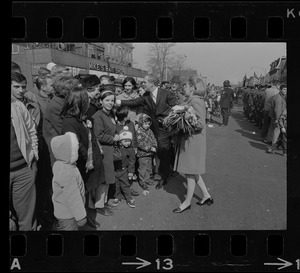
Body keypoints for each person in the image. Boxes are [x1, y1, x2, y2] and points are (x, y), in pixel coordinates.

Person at [116, 74, 178, 189]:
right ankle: (156, 172)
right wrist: (118, 102)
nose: (143, 84)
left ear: (152, 83)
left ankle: (163, 177)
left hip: (164, 129)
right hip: (152, 127)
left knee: (163, 151)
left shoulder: (166, 93)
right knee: (157, 151)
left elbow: (176, 108)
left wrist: (168, 119)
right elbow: (134, 102)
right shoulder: (145, 95)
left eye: (145, 82)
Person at [172, 76, 213, 213]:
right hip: (192, 139)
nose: (183, 88)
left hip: (193, 140)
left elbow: (200, 124)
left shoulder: (196, 101)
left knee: (189, 172)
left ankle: (187, 202)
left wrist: (183, 122)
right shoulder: (192, 100)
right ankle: (206, 196)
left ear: (193, 88)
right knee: (194, 171)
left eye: (186, 86)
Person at [10, 95, 39, 230]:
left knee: (27, 218)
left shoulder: (17, 104)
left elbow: (31, 130)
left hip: (23, 167)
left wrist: (33, 153)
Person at [51, 132, 87, 230]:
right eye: (75, 150)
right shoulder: (68, 172)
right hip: (70, 215)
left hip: (63, 212)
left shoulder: (59, 164)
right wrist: (80, 216)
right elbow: (73, 196)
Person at [92, 86, 118, 216]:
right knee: (103, 179)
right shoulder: (98, 116)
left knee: (107, 178)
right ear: (101, 101)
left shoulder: (108, 114)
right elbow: (98, 136)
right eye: (107, 100)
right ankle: (99, 205)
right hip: (103, 150)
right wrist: (114, 138)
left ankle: (105, 201)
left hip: (109, 150)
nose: (110, 103)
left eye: (112, 100)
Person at [43, 76, 79, 166]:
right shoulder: (55, 106)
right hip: (60, 150)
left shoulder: (63, 102)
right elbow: (64, 129)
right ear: (67, 92)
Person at [115, 106, 139, 196]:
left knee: (131, 167)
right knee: (122, 168)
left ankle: (130, 187)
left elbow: (134, 136)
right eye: (128, 114)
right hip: (121, 151)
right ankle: (122, 188)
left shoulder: (131, 123)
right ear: (125, 117)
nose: (130, 115)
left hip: (131, 149)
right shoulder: (116, 126)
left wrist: (135, 147)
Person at [111, 129, 136, 208]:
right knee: (116, 185)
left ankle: (129, 198)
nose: (127, 143)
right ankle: (117, 197)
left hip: (123, 170)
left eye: (129, 141)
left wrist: (131, 172)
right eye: (125, 141)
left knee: (125, 185)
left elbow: (132, 161)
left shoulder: (130, 149)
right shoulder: (116, 147)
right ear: (120, 141)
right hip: (115, 170)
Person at [136, 114, 157, 194]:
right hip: (142, 154)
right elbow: (140, 143)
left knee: (149, 167)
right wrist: (149, 148)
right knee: (142, 169)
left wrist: (154, 146)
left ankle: (147, 178)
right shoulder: (139, 132)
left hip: (149, 154)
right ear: (141, 123)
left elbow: (153, 138)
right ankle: (142, 181)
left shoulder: (150, 131)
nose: (147, 125)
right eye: (145, 123)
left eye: (148, 124)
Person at [266, 84, 287, 154]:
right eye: (284, 89)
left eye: (286, 89)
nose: (285, 91)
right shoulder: (279, 98)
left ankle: (269, 140)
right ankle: (273, 146)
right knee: (277, 131)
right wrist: (278, 119)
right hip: (277, 117)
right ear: (280, 90)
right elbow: (277, 110)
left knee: (272, 128)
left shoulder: (279, 96)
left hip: (273, 116)